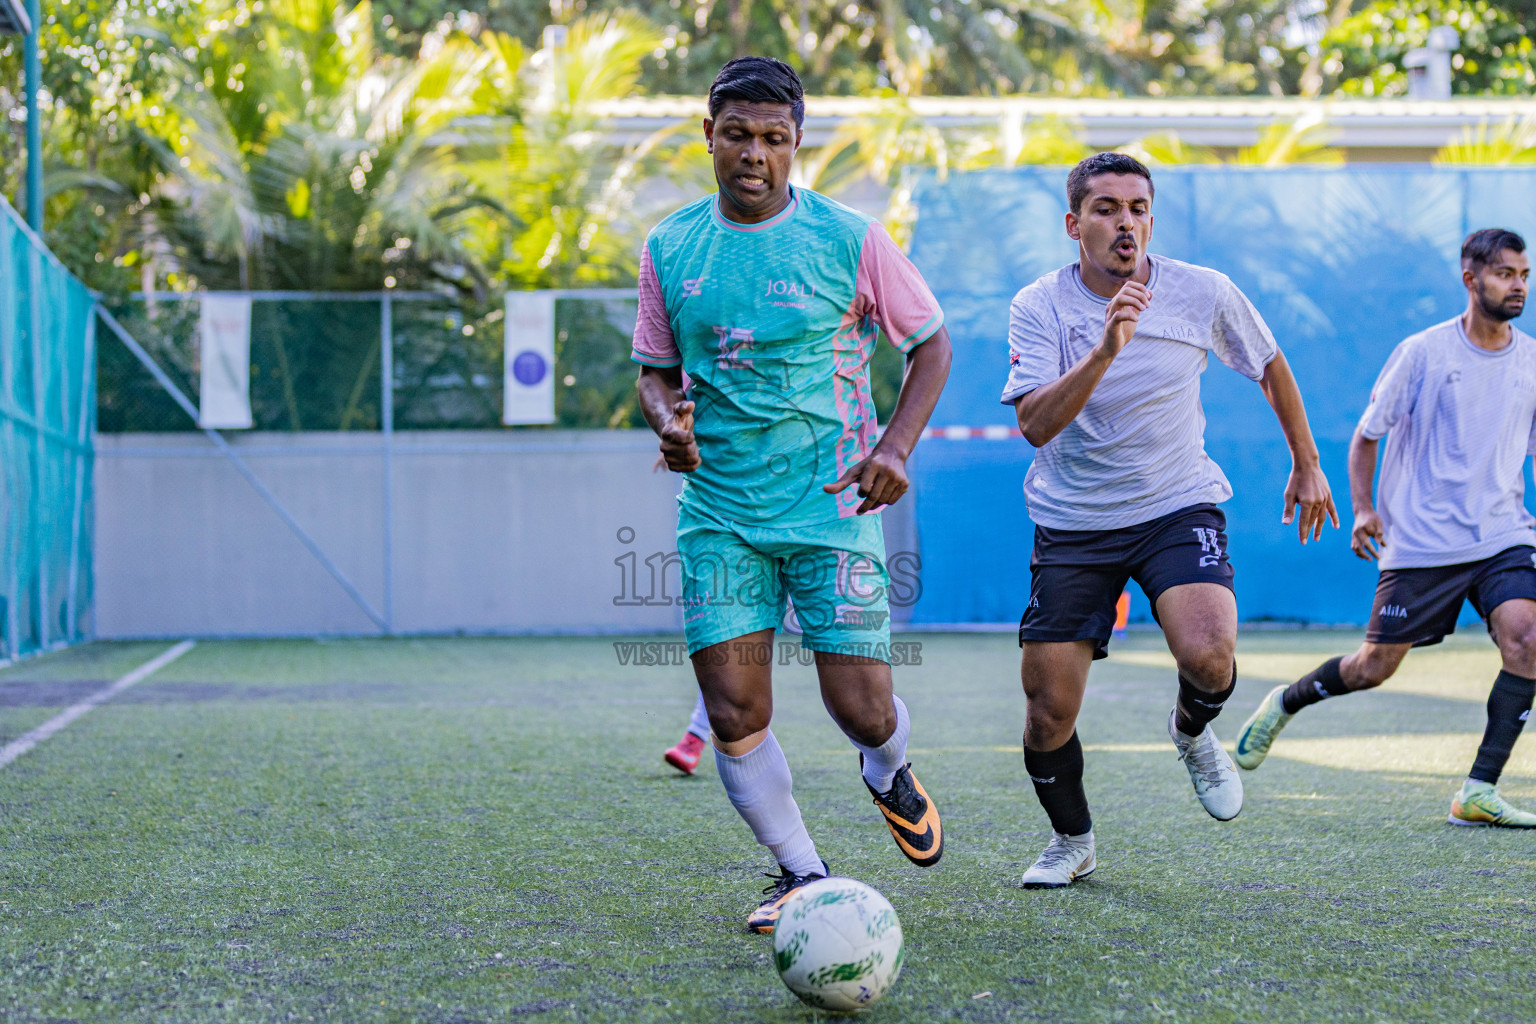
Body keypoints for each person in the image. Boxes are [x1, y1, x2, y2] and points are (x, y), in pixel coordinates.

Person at [632, 56, 953, 932]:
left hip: (833, 512)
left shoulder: (851, 239)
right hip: (720, 516)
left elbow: (930, 345)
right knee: (736, 709)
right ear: (709, 136)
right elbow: (654, 372)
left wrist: (894, 446)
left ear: (796, 144)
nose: (755, 155)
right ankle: (800, 873)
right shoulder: (670, 247)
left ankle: (888, 770)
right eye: (737, 134)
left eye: (775, 139)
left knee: (863, 708)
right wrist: (668, 422)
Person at [1002, 152, 1337, 888]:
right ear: (1074, 223)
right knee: (1046, 713)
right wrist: (1105, 349)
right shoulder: (1039, 306)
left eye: (1138, 208)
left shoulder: (1202, 291)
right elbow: (1034, 424)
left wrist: (1308, 463)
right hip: (1074, 523)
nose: (1126, 224)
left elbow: (1271, 364)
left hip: (1175, 502)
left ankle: (1191, 733)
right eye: (1107, 209)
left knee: (1211, 653)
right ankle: (1073, 841)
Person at [1236, 229, 1536, 829]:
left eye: (1524, 275)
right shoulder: (1423, 353)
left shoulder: (1531, 359)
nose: (1519, 286)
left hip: (1503, 533)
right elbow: (1367, 435)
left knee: (1527, 639)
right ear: (1471, 279)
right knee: (1373, 668)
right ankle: (1286, 700)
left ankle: (1478, 789)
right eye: (1505, 274)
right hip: (1422, 542)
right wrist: (1366, 510)